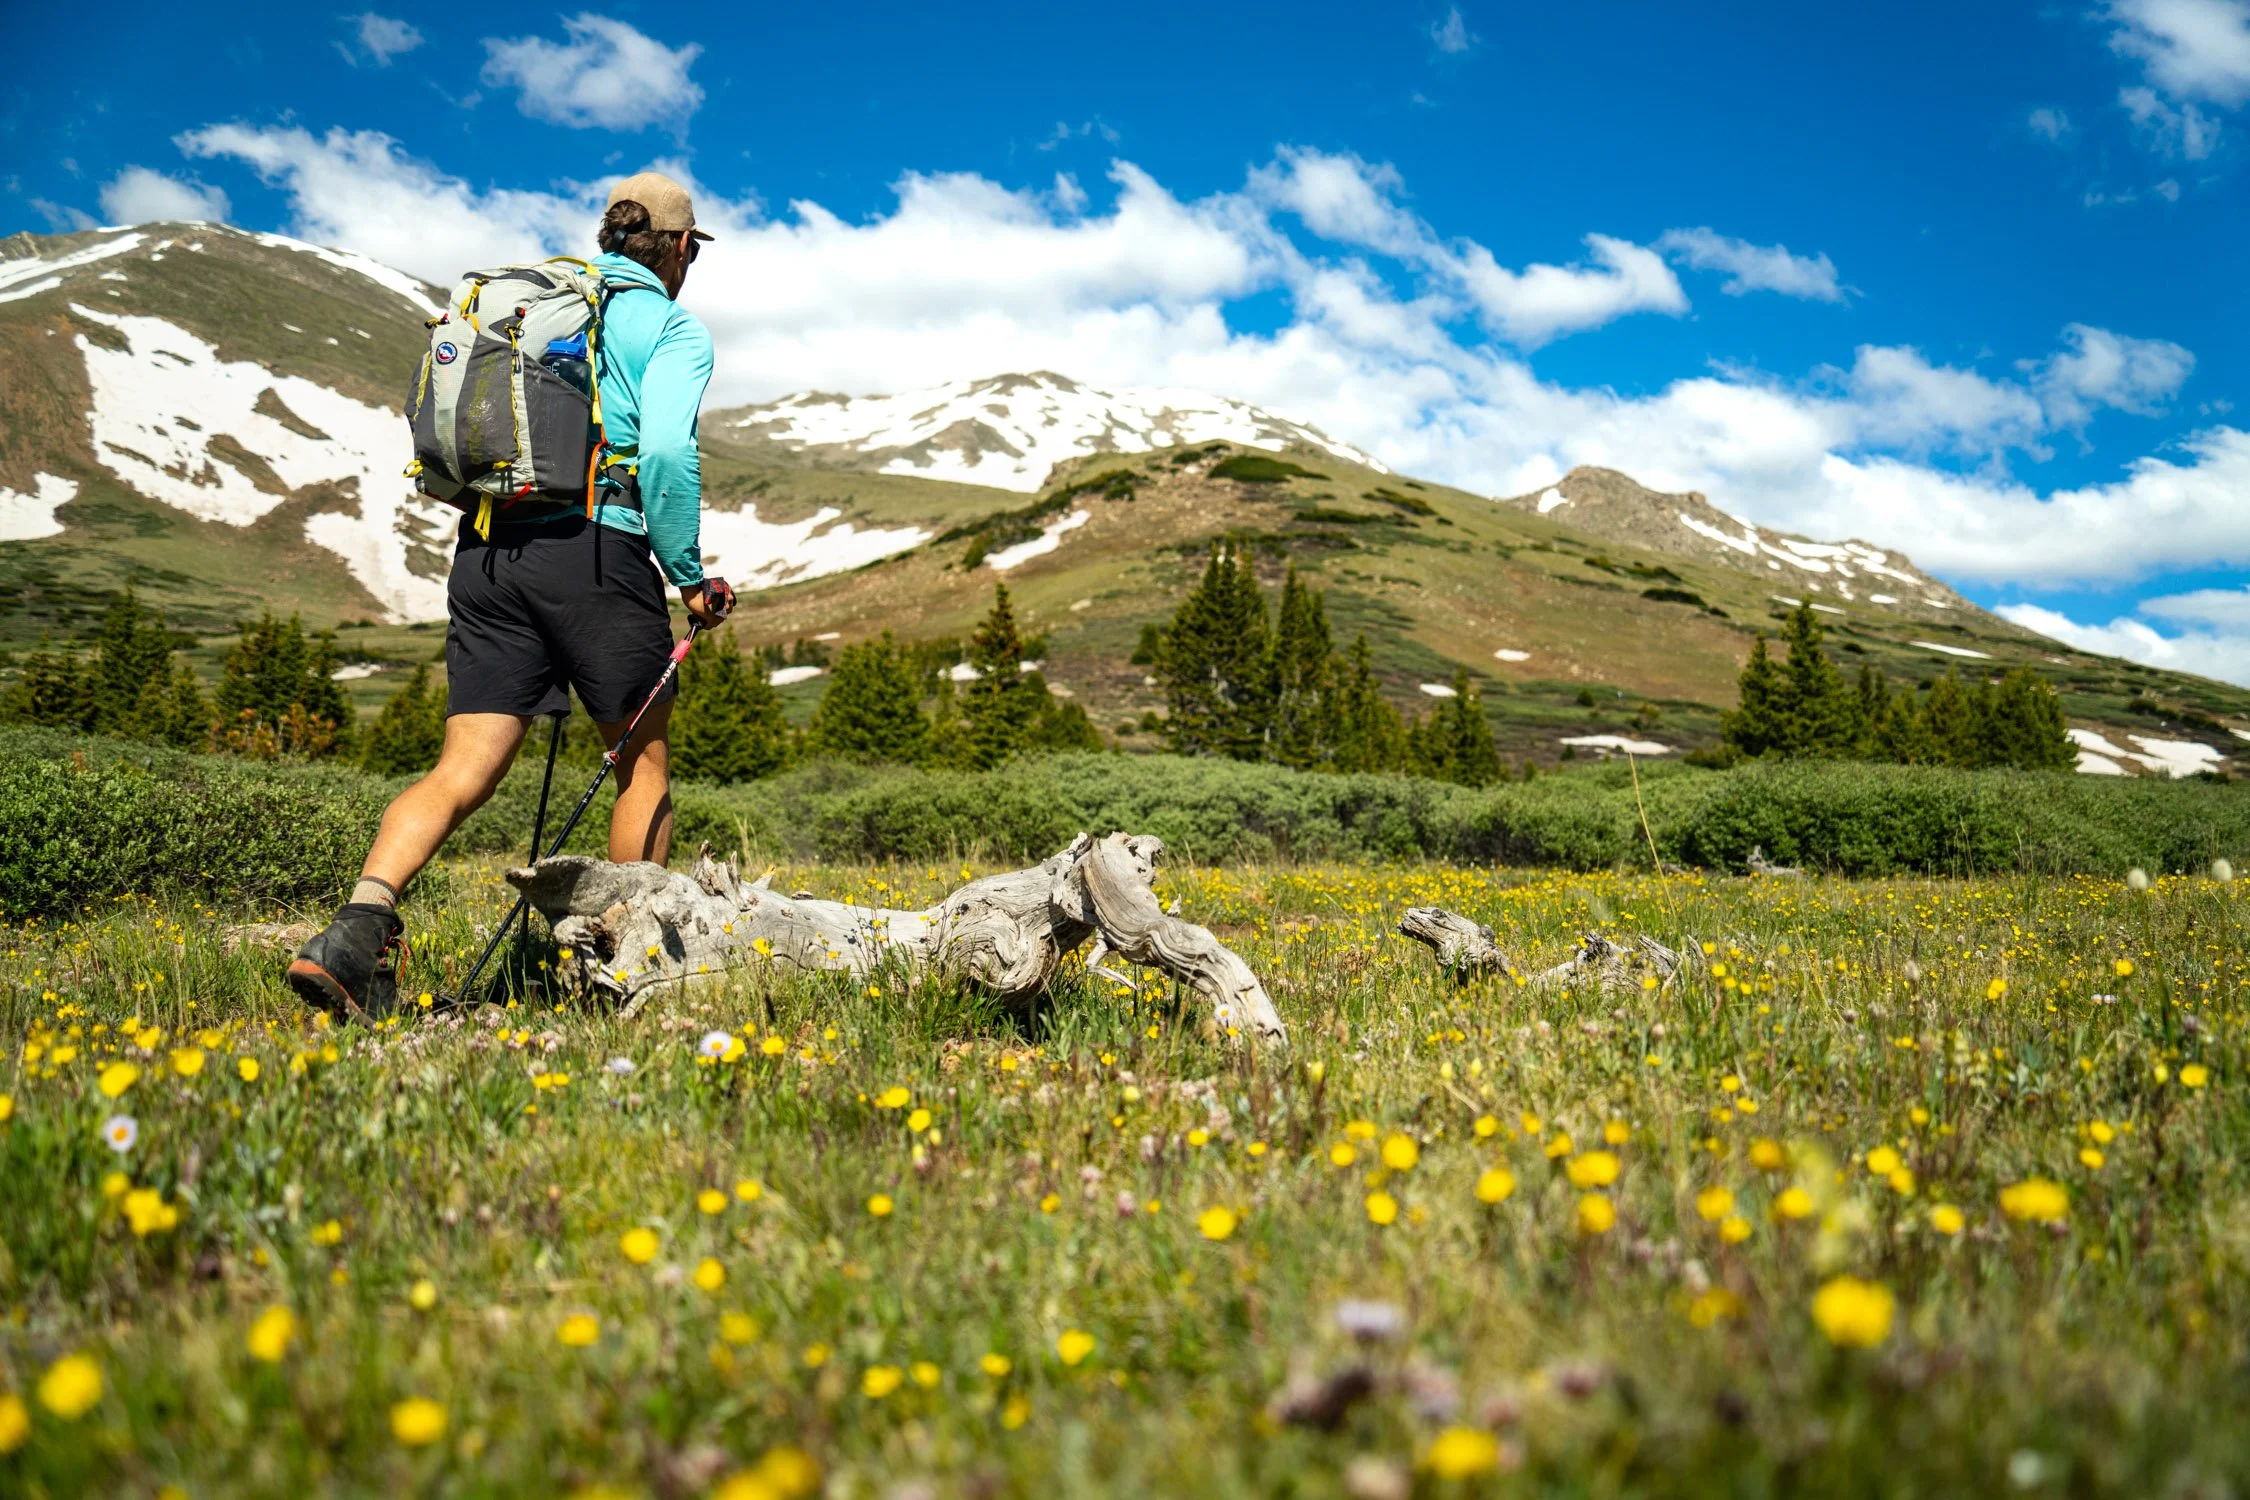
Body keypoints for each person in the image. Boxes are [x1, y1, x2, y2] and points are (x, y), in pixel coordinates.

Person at [288, 170, 734, 1022]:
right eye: (690, 251)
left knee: (460, 769)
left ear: (611, 237)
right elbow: (671, 458)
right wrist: (689, 576)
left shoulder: (531, 307)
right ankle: (624, 973)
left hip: (488, 552)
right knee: (640, 765)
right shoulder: (670, 328)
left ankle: (355, 931)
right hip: (597, 555)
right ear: (679, 248)